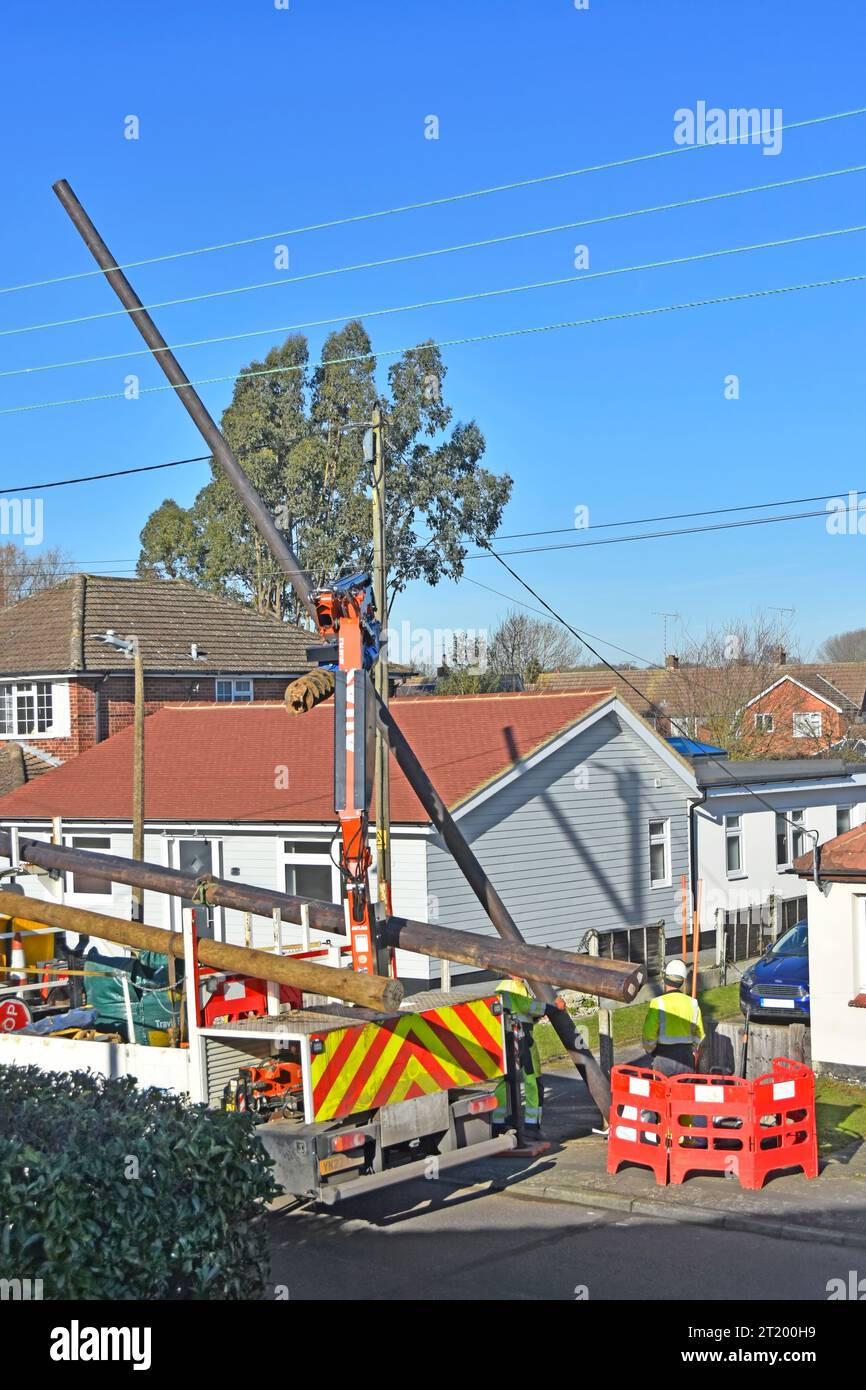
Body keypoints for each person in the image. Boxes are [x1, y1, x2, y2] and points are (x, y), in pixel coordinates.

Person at [493, 977, 547, 1134]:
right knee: (533, 1081)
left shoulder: (502, 987)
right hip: (523, 1041)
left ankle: (499, 1121)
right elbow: (527, 1006)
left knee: (505, 1082)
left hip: (507, 1041)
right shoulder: (513, 987)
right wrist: (550, 1007)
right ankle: (532, 1124)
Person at [639, 958, 704, 1077]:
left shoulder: (657, 1003)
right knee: (684, 1093)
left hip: (664, 1059)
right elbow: (699, 1034)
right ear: (683, 981)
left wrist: (650, 1050)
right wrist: (692, 1049)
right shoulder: (693, 1003)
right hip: (686, 1060)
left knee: (662, 1093)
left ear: (665, 979)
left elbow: (649, 1034)